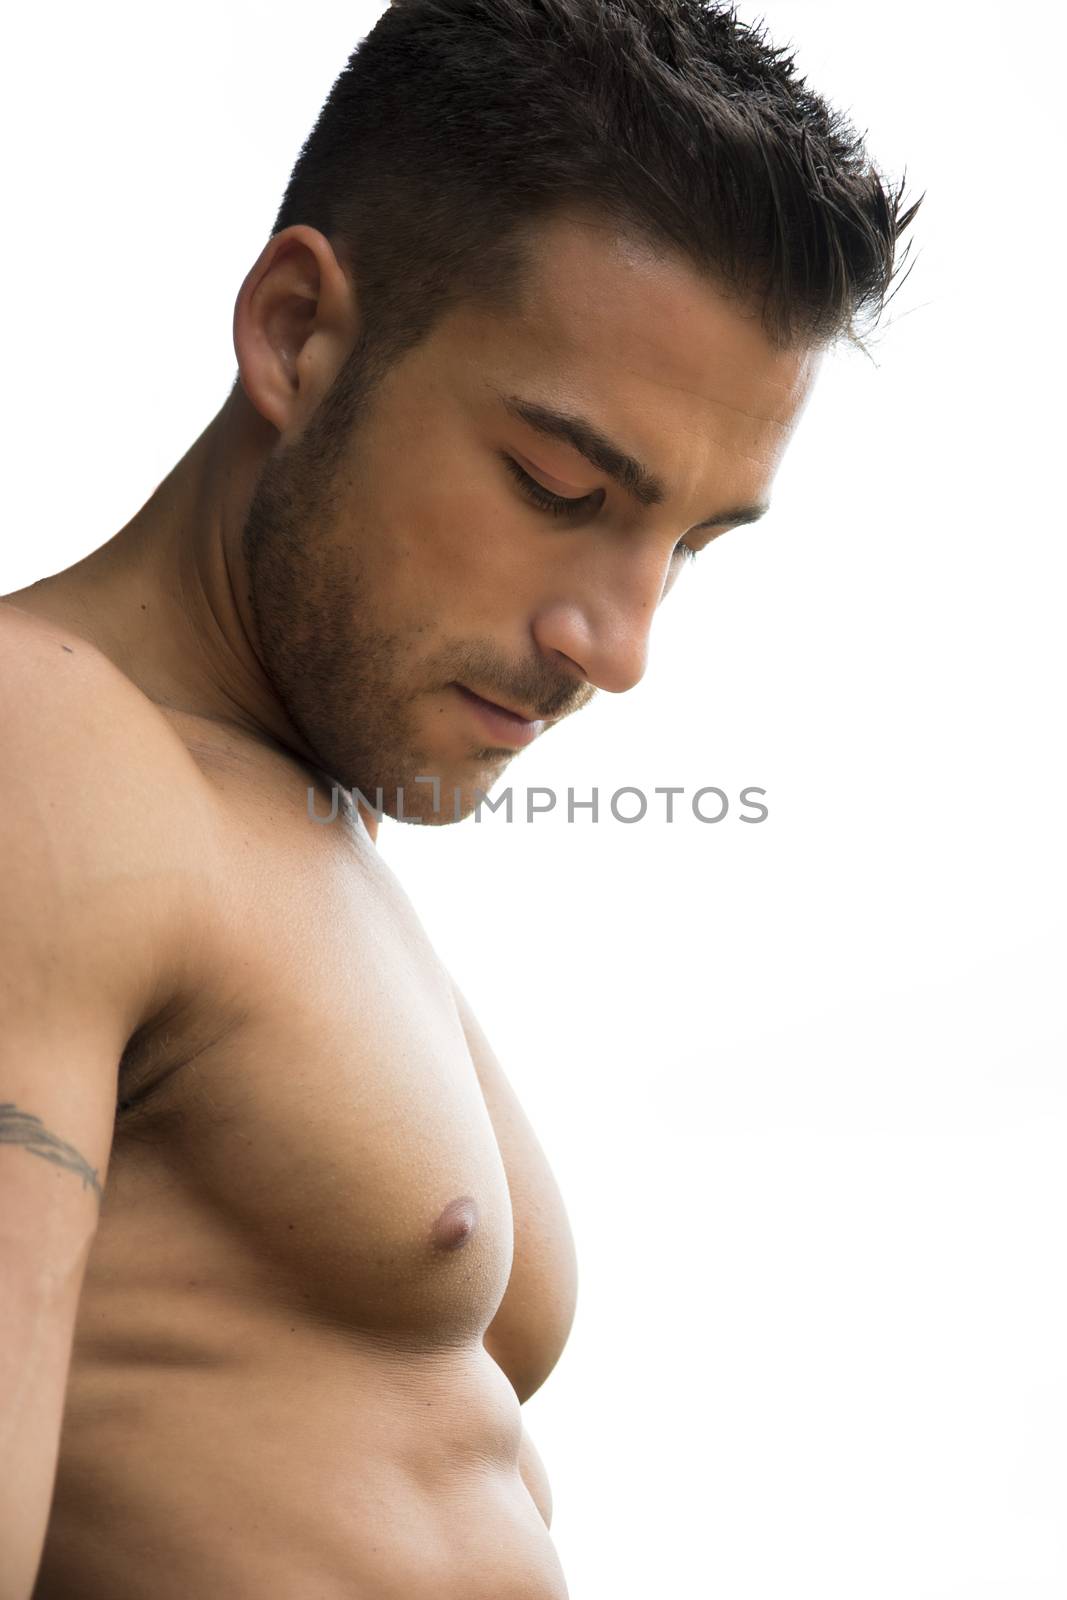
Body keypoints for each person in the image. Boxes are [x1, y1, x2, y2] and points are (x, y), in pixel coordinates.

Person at [0, 1, 919, 1594]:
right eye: (564, 490)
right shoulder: (41, 748)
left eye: (688, 545)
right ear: (296, 331)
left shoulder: (290, 812)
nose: (618, 647)